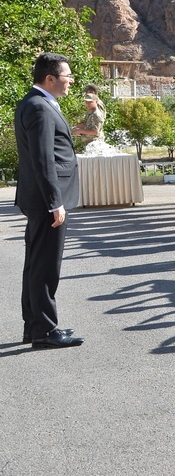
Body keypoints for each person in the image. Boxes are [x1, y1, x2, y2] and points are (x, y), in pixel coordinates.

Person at [14, 52, 84, 349]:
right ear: (50, 78)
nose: (71, 81)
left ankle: (34, 326)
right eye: (67, 76)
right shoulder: (39, 107)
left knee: (35, 264)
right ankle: (45, 330)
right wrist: (55, 201)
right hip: (46, 200)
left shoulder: (35, 102)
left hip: (39, 197)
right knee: (45, 267)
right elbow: (43, 159)